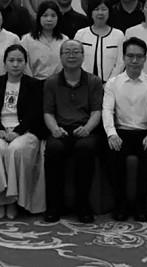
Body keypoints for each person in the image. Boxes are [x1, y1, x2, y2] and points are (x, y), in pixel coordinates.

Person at [0, 45, 47, 217]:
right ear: (4, 63)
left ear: (25, 63)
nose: (15, 64)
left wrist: (18, 131)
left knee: (16, 149)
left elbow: (34, 113)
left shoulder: (34, 85)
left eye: (20, 60)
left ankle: (13, 201)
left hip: (25, 130)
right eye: (11, 60)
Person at [43, 39, 104, 223]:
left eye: (76, 52)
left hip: (85, 129)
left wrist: (87, 128)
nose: (71, 56)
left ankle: (82, 205)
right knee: (53, 149)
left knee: (85, 149)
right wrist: (54, 129)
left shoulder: (93, 81)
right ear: (60, 56)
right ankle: (54, 206)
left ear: (83, 56)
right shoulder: (51, 82)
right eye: (67, 52)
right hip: (60, 129)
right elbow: (48, 112)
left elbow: (96, 112)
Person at [102, 37, 147, 221]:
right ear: (124, 58)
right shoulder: (113, 83)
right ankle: (120, 203)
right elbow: (107, 110)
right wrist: (111, 134)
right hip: (121, 131)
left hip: (144, 132)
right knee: (111, 152)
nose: (134, 60)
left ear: (145, 59)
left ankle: (140, 203)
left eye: (139, 56)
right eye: (130, 56)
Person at [74, 0, 125, 83]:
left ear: (109, 12)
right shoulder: (81, 34)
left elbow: (121, 62)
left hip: (111, 84)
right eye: (96, 9)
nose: (100, 13)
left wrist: (110, 83)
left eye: (104, 9)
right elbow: (76, 58)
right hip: (84, 82)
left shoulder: (118, 35)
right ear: (91, 12)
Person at [20, 1, 67, 79]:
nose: (49, 19)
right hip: (33, 82)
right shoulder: (27, 39)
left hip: (58, 83)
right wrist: (31, 81)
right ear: (39, 17)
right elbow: (23, 64)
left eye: (53, 16)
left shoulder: (64, 40)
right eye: (45, 15)